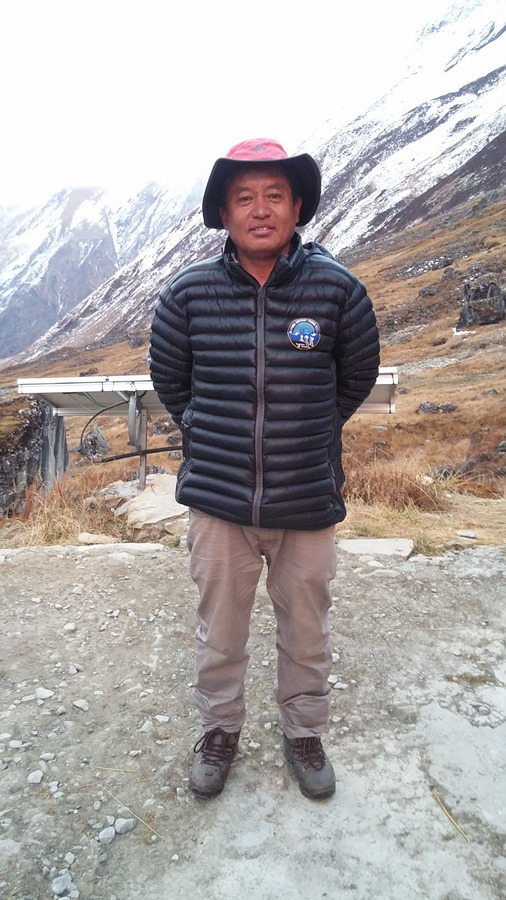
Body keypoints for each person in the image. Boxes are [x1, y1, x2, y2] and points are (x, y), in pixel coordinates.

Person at [149, 138, 380, 801]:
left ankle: (304, 732)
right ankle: (219, 730)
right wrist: (210, 433)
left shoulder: (337, 290)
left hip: (306, 500)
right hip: (219, 503)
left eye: (274, 195)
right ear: (223, 213)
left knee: (307, 630)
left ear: (297, 207)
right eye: (244, 197)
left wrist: (307, 434)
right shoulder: (187, 294)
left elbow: (354, 378)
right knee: (219, 633)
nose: (260, 210)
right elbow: (172, 381)